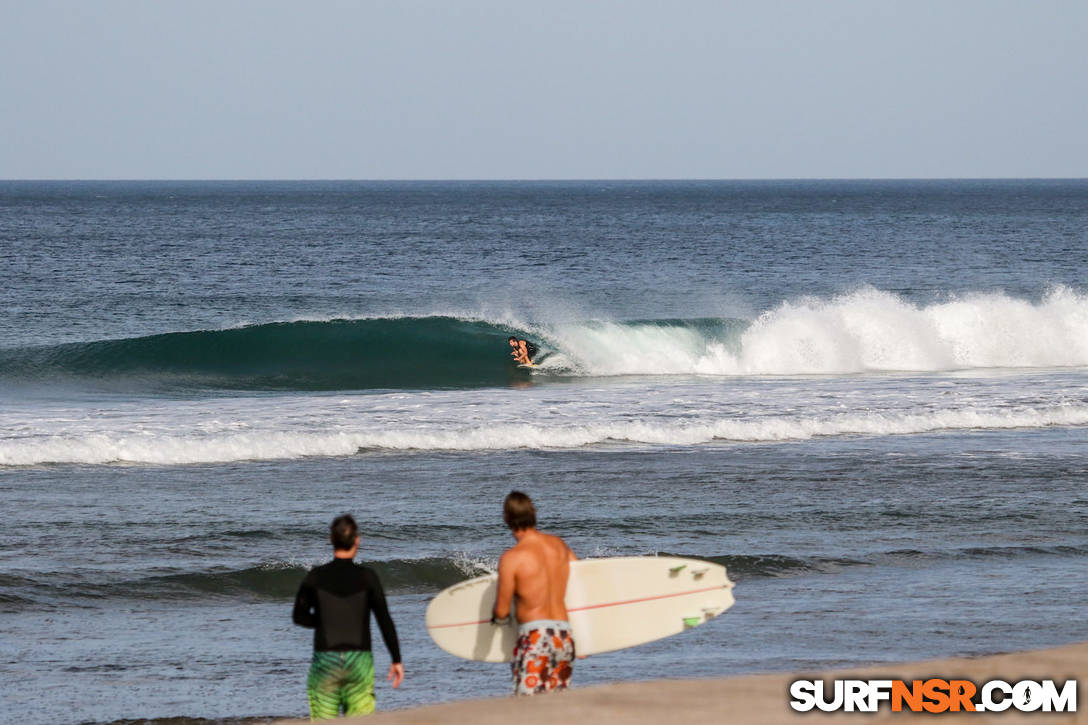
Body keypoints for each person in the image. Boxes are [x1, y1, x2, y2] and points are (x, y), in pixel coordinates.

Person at [293, 514, 404, 719]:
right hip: (359, 661)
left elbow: (298, 616)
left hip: (326, 660)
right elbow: (384, 619)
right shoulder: (367, 577)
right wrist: (396, 659)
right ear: (357, 540)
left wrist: (322, 622)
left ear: (331, 540)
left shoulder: (316, 576)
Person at [492, 491, 577, 695]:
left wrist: (496, 620)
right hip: (564, 636)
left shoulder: (512, 558)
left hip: (535, 637)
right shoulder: (559, 546)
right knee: (558, 705)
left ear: (506, 518)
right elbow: (578, 583)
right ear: (533, 514)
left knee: (529, 708)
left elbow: (502, 611)